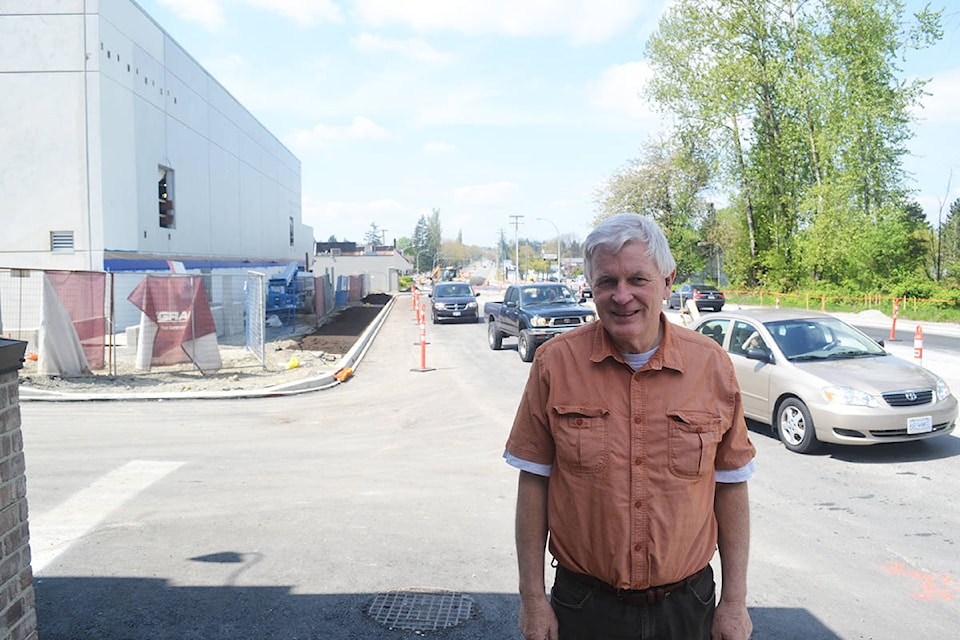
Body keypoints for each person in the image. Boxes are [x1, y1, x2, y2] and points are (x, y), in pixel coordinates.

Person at [504, 213, 756, 640]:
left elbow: (731, 485)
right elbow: (534, 484)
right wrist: (532, 600)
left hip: (687, 607)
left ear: (667, 281)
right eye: (607, 282)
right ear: (591, 287)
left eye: (638, 279)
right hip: (584, 608)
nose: (622, 297)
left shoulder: (710, 365)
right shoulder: (555, 364)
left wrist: (734, 602)